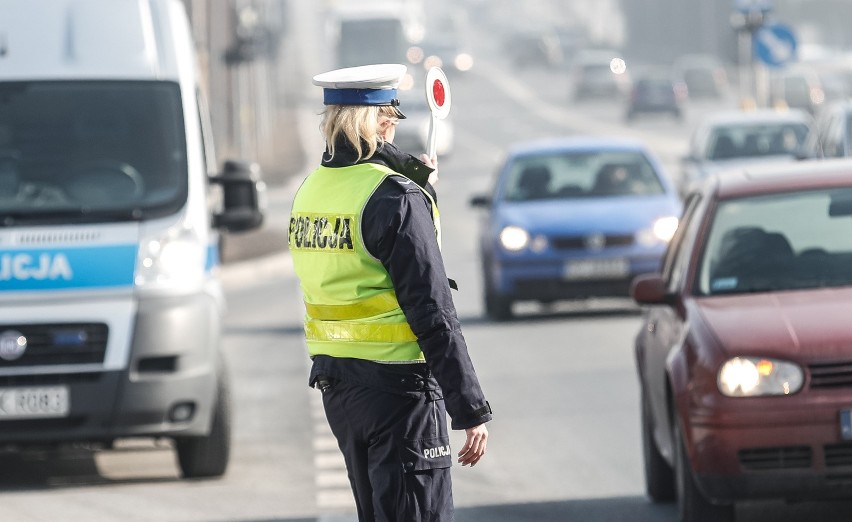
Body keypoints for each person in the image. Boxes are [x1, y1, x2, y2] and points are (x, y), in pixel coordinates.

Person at [288, 63, 492, 521]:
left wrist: (412, 184)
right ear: (380, 121)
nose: (393, 129)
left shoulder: (310, 192)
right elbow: (431, 308)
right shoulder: (395, 199)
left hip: (341, 389)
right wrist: (470, 407)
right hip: (401, 394)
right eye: (390, 119)